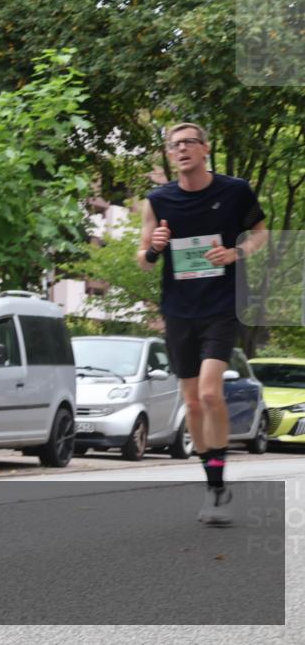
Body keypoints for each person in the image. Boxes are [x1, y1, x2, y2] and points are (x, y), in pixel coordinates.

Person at [138, 122, 268, 526]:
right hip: (179, 310)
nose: (181, 149)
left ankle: (218, 485)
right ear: (170, 153)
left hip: (221, 306)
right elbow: (142, 258)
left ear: (205, 148)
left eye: (189, 143)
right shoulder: (158, 199)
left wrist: (236, 253)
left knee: (211, 394)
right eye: (174, 145)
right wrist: (154, 248)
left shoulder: (234, 191)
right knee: (192, 402)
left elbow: (261, 233)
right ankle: (214, 483)